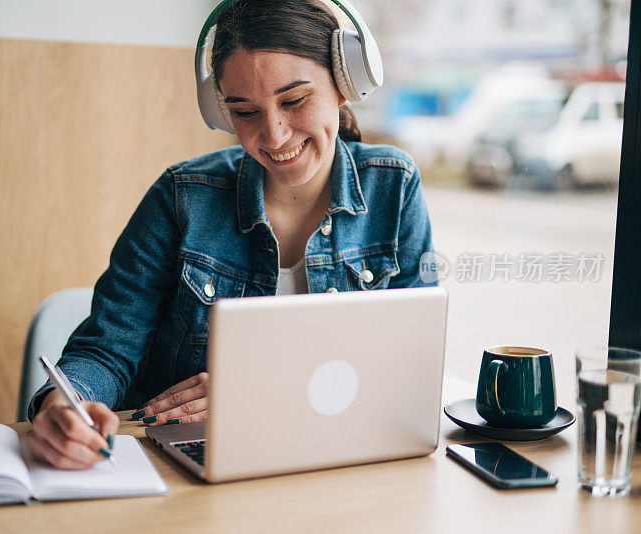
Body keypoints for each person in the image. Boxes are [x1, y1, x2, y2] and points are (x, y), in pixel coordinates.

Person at [28, 0, 437, 470]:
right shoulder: (181, 197)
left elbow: (411, 364)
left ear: (346, 84)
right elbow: (107, 347)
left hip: (339, 455)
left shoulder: (394, 184)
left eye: (294, 100)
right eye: (244, 112)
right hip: (188, 458)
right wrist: (60, 405)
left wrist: (258, 392)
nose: (274, 135)